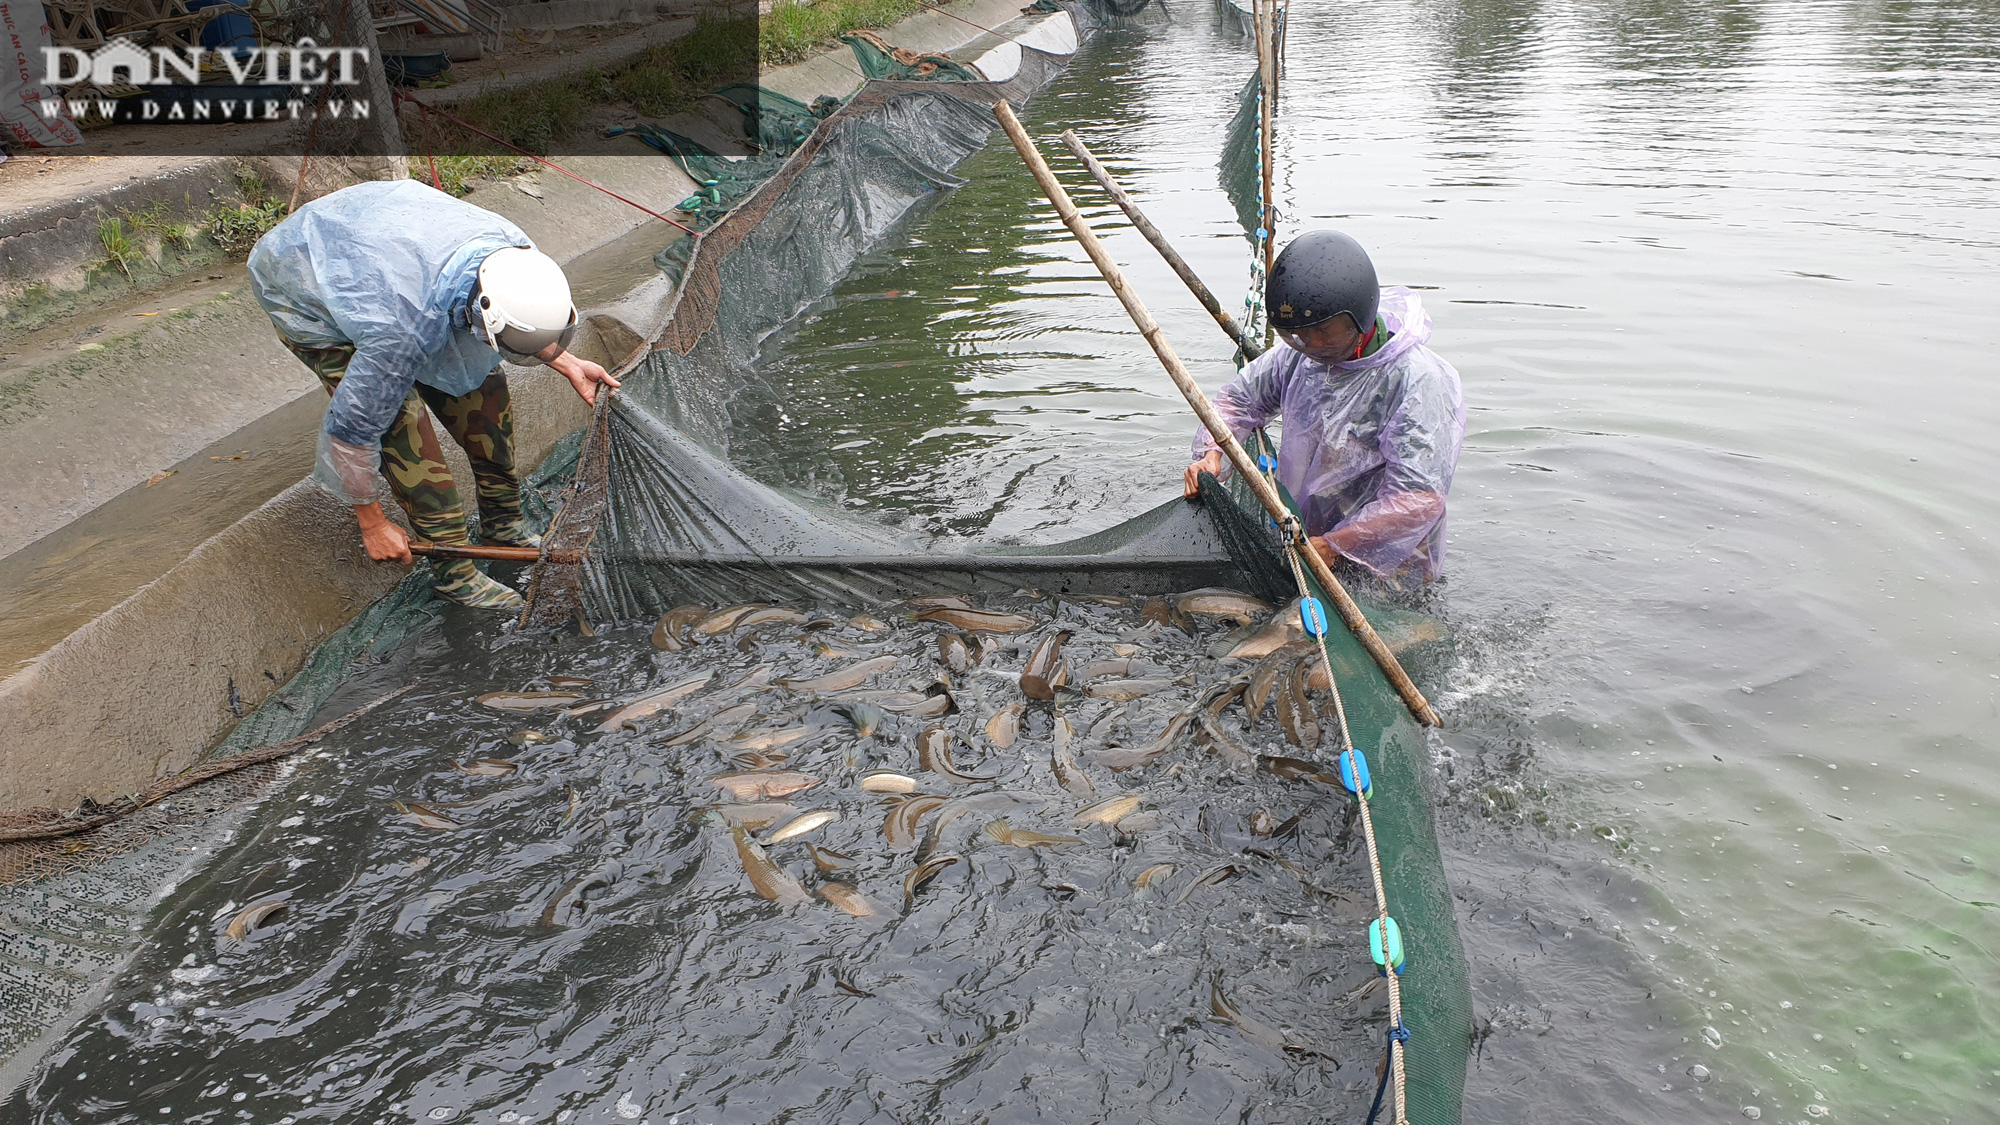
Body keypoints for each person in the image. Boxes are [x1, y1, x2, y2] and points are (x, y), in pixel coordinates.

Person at [248, 178, 620, 609]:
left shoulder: (517, 255)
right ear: (479, 312)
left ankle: (504, 526)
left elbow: (516, 327)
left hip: (396, 242)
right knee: (398, 422)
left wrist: (568, 363)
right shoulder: (398, 332)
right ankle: (454, 572)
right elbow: (353, 430)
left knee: (485, 391)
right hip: (306, 279)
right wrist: (372, 523)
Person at [1183, 230, 1465, 583]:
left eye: (1324, 331)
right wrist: (1213, 453)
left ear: (1358, 318)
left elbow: (1418, 498)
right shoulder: (1296, 357)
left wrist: (1336, 545)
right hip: (1306, 537)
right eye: (1297, 333)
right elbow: (1239, 402)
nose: (1311, 343)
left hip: (1388, 561)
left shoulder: (1418, 380)